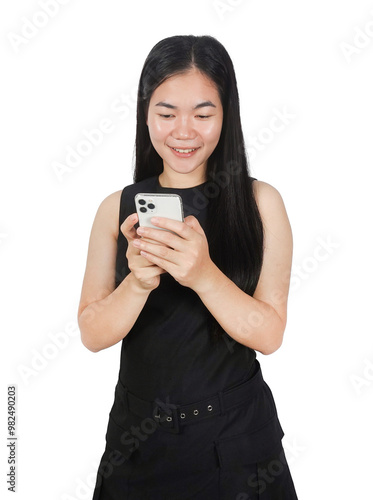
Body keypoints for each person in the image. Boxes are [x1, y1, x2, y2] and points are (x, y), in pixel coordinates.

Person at [78, 35, 298, 499]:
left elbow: (270, 333)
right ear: (145, 113)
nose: (183, 131)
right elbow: (92, 334)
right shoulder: (114, 209)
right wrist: (137, 284)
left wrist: (203, 275)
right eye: (166, 113)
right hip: (137, 448)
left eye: (203, 114)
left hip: (238, 446)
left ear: (227, 115)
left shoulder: (262, 204)